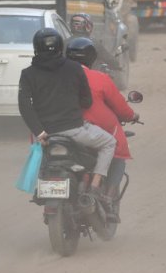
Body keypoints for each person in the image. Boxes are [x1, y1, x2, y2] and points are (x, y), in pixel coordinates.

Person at [18, 28, 116, 196]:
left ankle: (42, 184)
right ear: (59, 48)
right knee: (109, 143)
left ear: (36, 48)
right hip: (75, 131)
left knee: (45, 162)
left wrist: (39, 132)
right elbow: (87, 101)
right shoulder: (74, 69)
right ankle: (95, 184)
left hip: (45, 136)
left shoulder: (28, 74)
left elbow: (24, 105)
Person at [65, 37, 140, 222]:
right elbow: (120, 108)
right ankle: (106, 196)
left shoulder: (55, 78)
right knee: (117, 152)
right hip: (87, 131)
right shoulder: (99, 78)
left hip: (54, 130)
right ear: (92, 59)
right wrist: (132, 116)